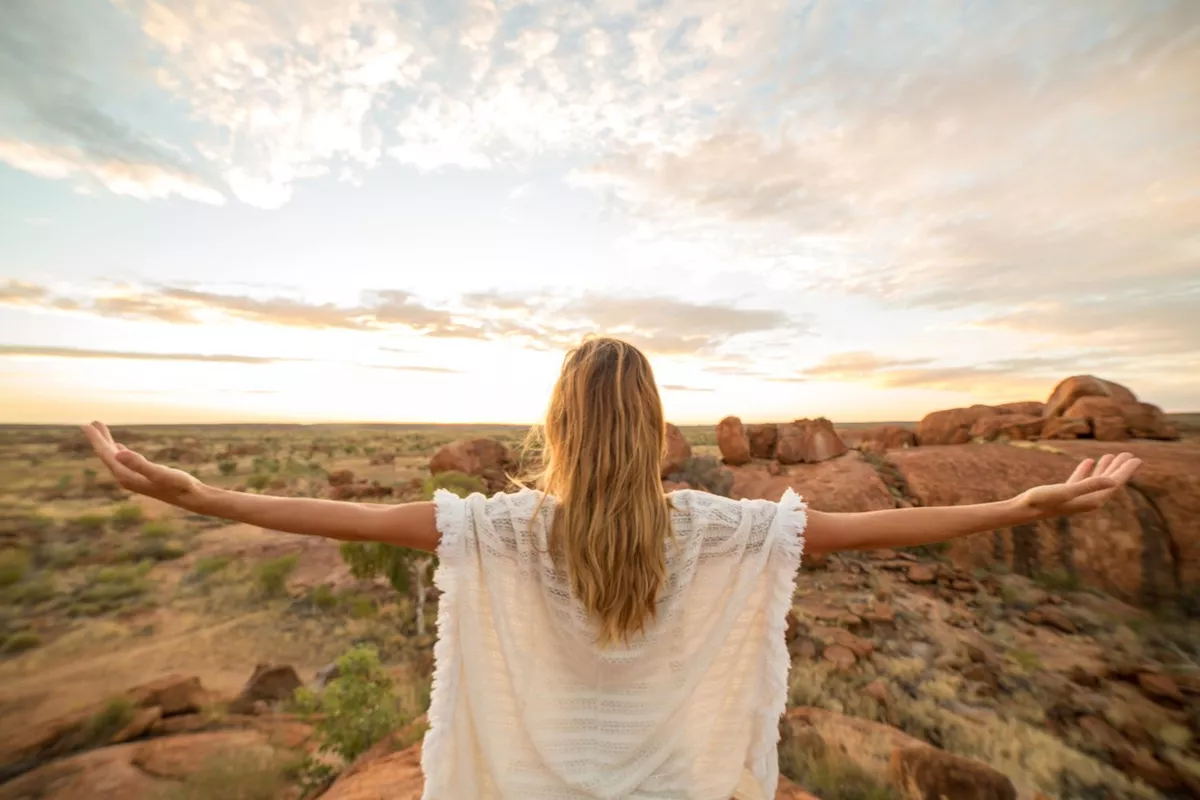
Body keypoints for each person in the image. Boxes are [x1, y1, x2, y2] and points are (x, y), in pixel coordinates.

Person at [82, 336, 1141, 800]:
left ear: (557, 427)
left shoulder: (500, 529)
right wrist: (1020, 499)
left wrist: (200, 493)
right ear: (656, 428)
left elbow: (347, 514)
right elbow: (874, 533)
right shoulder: (711, 527)